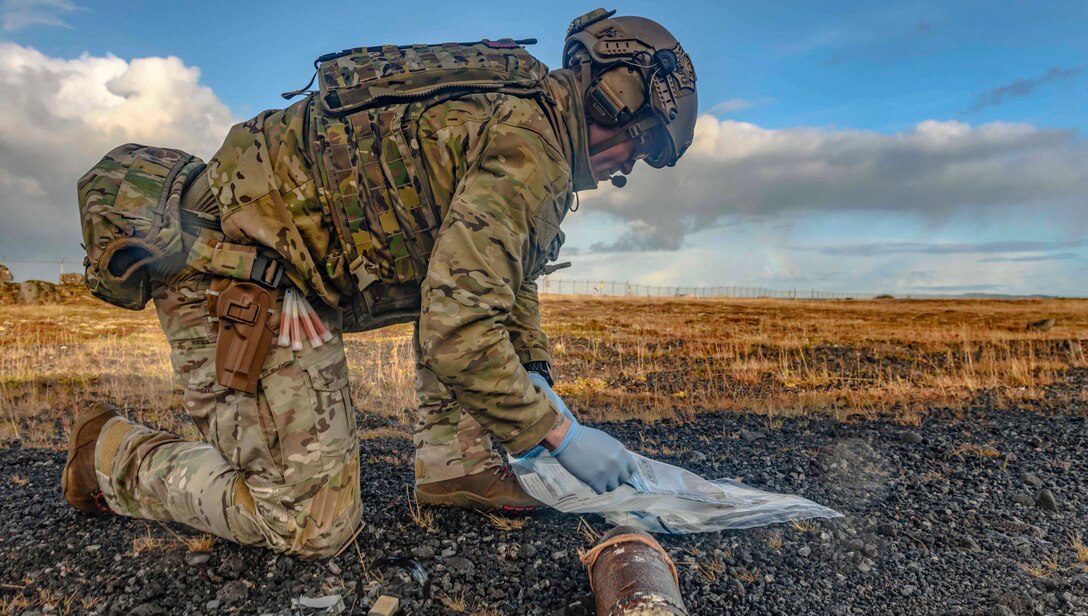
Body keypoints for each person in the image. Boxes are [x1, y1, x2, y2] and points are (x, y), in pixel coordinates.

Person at [64, 8, 697, 559]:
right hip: (229, 268)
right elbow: (459, 330)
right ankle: (109, 455)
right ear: (610, 98)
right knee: (310, 522)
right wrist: (558, 434)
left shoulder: (531, 121)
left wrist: (535, 374)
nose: (628, 166)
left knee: (465, 312)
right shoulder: (530, 147)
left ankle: (455, 468)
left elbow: (496, 279)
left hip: (289, 268)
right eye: (638, 145)